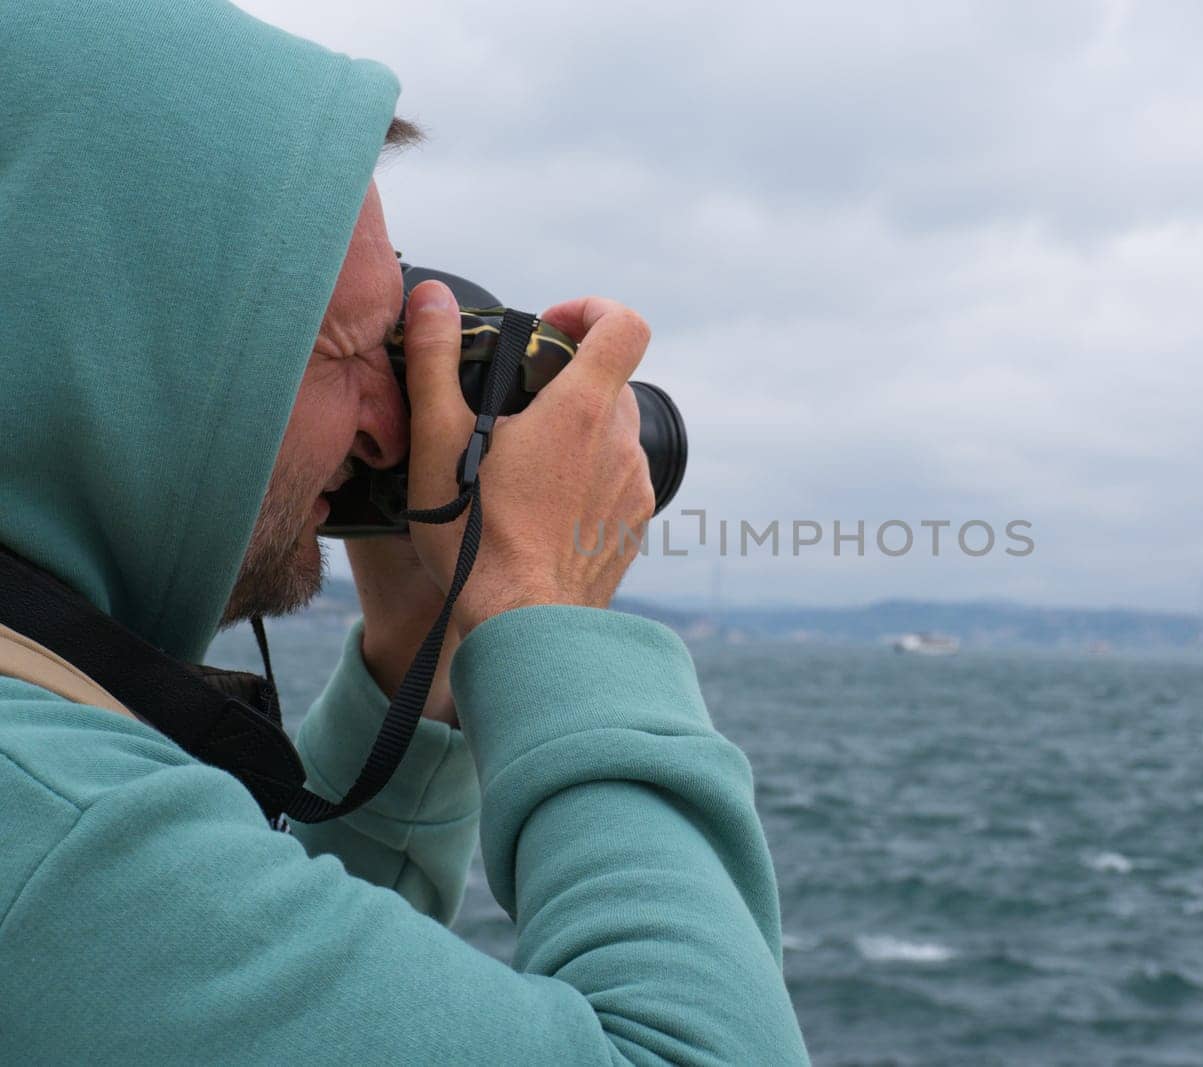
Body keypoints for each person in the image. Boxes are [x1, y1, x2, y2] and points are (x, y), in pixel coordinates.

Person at [0, 1, 809, 1062]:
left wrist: (414, 651)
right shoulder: (56, 834)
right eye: (344, 352)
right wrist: (541, 606)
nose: (389, 431)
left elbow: (271, 1004)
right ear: (121, 359)